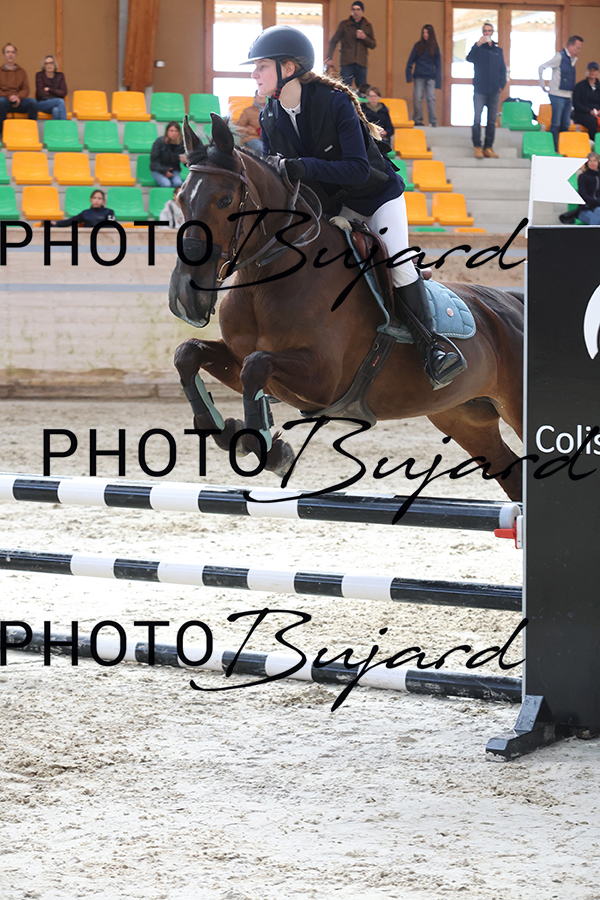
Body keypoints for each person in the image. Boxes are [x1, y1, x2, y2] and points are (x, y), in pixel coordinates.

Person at [244, 25, 466, 389]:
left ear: (288, 69)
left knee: (397, 265)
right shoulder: (270, 116)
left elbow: (358, 169)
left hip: (376, 197)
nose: (254, 74)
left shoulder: (335, 103)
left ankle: (432, 348)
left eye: (261, 66)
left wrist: (302, 167)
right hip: (333, 208)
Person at [466, 23, 506, 159]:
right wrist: (478, 44)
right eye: (485, 31)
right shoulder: (478, 49)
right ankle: (477, 146)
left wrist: (501, 85)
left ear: (493, 32)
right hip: (480, 89)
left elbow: (502, 69)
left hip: (494, 90)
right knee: (477, 119)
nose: (487, 33)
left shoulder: (498, 50)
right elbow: (469, 58)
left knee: (491, 121)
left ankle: (488, 147)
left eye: (489, 31)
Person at [538, 35, 584, 151]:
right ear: (570, 46)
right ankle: (553, 147)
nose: (578, 51)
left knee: (565, 124)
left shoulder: (573, 60)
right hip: (556, 95)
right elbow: (542, 67)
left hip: (567, 96)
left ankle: (563, 147)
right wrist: (542, 84)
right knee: (555, 123)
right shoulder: (559, 57)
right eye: (577, 48)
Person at [324, 2, 376, 90]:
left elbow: (373, 45)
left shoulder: (368, 26)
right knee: (345, 88)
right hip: (347, 62)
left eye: (358, 9)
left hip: (361, 63)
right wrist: (329, 57)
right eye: (353, 9)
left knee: (362, 89)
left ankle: (360, 100)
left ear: (362, 11)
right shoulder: (344, 25)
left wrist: (365, 37)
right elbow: (334, 41)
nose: (355, 12)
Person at [405, 25, 441, 127]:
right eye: (424, 32)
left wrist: (438, 82)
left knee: (431, 98)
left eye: (427, 32)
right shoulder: (418, 46)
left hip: (430, 76)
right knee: (417, 98)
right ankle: (418, 120)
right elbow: (410, 61)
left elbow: (438, 65)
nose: (425, 35)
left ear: (431, 34)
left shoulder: (435, 47)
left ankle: (433, 121)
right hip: (419, 76)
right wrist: (408, 75)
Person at [0, 42, 38, 129]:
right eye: (8, 52)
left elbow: (26, 89)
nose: (10, 55)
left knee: (33, 102)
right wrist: (9, 96)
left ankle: (31, 131)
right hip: (5, 100)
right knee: (1, 102)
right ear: (3, 55)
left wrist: (18, 97)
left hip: (19, 101)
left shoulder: (21, 71)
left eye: (12, 52)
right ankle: (2, 132)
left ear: (15, 55)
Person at [150, 121, 185, 187]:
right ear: (167, 132)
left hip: (174, 170)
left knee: (178, 183)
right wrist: (164, 171)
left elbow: (186, 163)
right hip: (158, 170)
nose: (174, 133)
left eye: (176, 131)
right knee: (166, 184)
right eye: (171, 131)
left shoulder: (181, 144)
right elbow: (154, 162)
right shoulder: (159, 142)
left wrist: (185, 161)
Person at [572, 61, 599, 141]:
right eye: (590, 70)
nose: (592, 72)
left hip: (597, 114)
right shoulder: (579, 86)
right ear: (587, 72)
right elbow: (576, 103)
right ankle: (592, 143)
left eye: (594, 70)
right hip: (582, 114)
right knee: (592, 122)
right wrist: (590, 112)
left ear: (597, 72)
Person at [35, 54, 67, 120]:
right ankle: (65, 125)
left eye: (51, 63)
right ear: (44, 65)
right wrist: (56, 94)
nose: (49, 65)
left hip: (56, 103)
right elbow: (40, 93)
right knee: (60, 101)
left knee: (56, 110)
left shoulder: (60, 76)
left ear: (55, 64)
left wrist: (49, 89)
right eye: (46, 63)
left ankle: (55, 127)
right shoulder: (39, 75)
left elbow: (64, 92)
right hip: (43, 103)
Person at [576, 152, 600, 224]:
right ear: (587, 163)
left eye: (594, 161)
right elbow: (583, 194)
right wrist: (597, 202)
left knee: (598, 211)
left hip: (598, 208)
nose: (592, 163)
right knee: (596, 218)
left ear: (598, 162)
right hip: (585, 209)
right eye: (590, 161)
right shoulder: (582, 177)